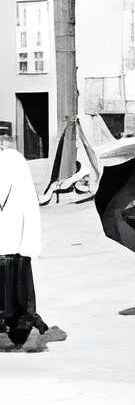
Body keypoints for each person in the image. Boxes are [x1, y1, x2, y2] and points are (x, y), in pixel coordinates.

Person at [0, 121, 46, 352]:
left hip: (6, 241)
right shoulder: (17, 158)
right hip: (20, 240)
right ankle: (24, 330)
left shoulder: (4, 162)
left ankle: (11, 335)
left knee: (6, 295)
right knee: (20, 293)